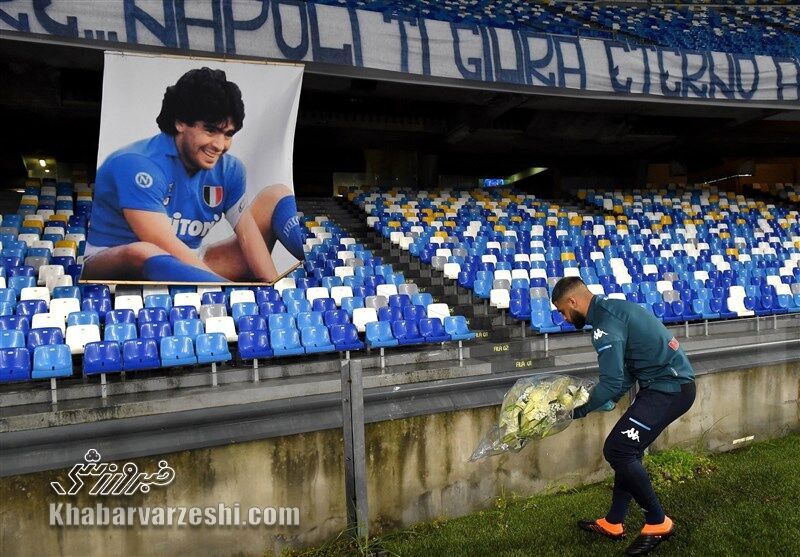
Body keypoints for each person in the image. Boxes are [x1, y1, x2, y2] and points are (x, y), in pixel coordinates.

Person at [83, 67, 305, 283]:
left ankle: (319, 259)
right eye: (210, 130)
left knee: (275, 195)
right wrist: (226, 291)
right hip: (114, 261)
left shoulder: (230, 170)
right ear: (180, 122)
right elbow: (163, 243)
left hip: (188, 260)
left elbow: (249, 237)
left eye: (228, 134)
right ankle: (217, 289)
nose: (219, 145)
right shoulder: (136, 163)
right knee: (144, 251)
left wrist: (274, 290)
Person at [551, 276, 695, 556]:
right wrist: (613, 399)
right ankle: (614, 522)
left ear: (572, 301)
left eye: (562, 311)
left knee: (618, 449)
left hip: (670, 389)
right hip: (664, 386)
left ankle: (658, 522)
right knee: (627, 451)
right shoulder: (613, 309)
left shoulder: (605, 325)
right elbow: (628, 367)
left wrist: (576, 410)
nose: (564, 318)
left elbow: (611, 381)